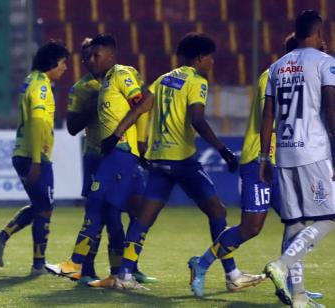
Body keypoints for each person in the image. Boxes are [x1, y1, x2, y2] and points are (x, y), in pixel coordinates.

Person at [90, 32, 262, 291]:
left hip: (158, 161)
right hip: (183, 161)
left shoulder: (163, 79)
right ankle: (232, 275)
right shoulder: (196, 81)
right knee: (218, 212)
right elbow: (198, 120)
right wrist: (222, 149)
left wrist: (116, 135)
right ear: (201, 58)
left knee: (143, 219)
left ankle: (124, 275)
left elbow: (138, 110)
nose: (212, 63)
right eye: (210, 59)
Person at [189, 32, 323, 300]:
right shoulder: (272, 76)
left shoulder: (304, 79)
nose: (325, 51)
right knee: (251, 227)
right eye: (319, 48)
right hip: (259, 162)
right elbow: (269, 118)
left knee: (297, 224)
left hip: (285, 163)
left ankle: (292, 284)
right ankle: (201, 263)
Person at [45, 34, 149, 286]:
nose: (90, 60)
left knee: (100, 207)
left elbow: (145, 101)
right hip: (107, 154)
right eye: (87, 56)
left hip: (120, 152)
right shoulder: (97, 84)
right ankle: (117, 274)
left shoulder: (121, 74)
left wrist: (120, 135)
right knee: (109, 211)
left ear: (111, 56)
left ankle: (76, 265)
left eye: (95, 55)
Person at [261, 10, 335, 308]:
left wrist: (264, 156)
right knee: (329, 216)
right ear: (318, 33)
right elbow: (331, 111)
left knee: (294, 225)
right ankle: (282, 264)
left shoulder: (276, 67)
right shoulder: (325, 63)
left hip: (284, 152)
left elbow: (268, 116)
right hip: (313, 151)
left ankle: (299, 297)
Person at [0, 40, 69, 275]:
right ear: (53, 63)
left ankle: (1, 238)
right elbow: (37, 122)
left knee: (41, 205)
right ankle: (37, 265)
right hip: (34, 155)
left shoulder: (30, 81)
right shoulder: (41, 86)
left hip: (24, 153)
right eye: (63, 63)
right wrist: (36, 159)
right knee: (45, 209)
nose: (65, 68)